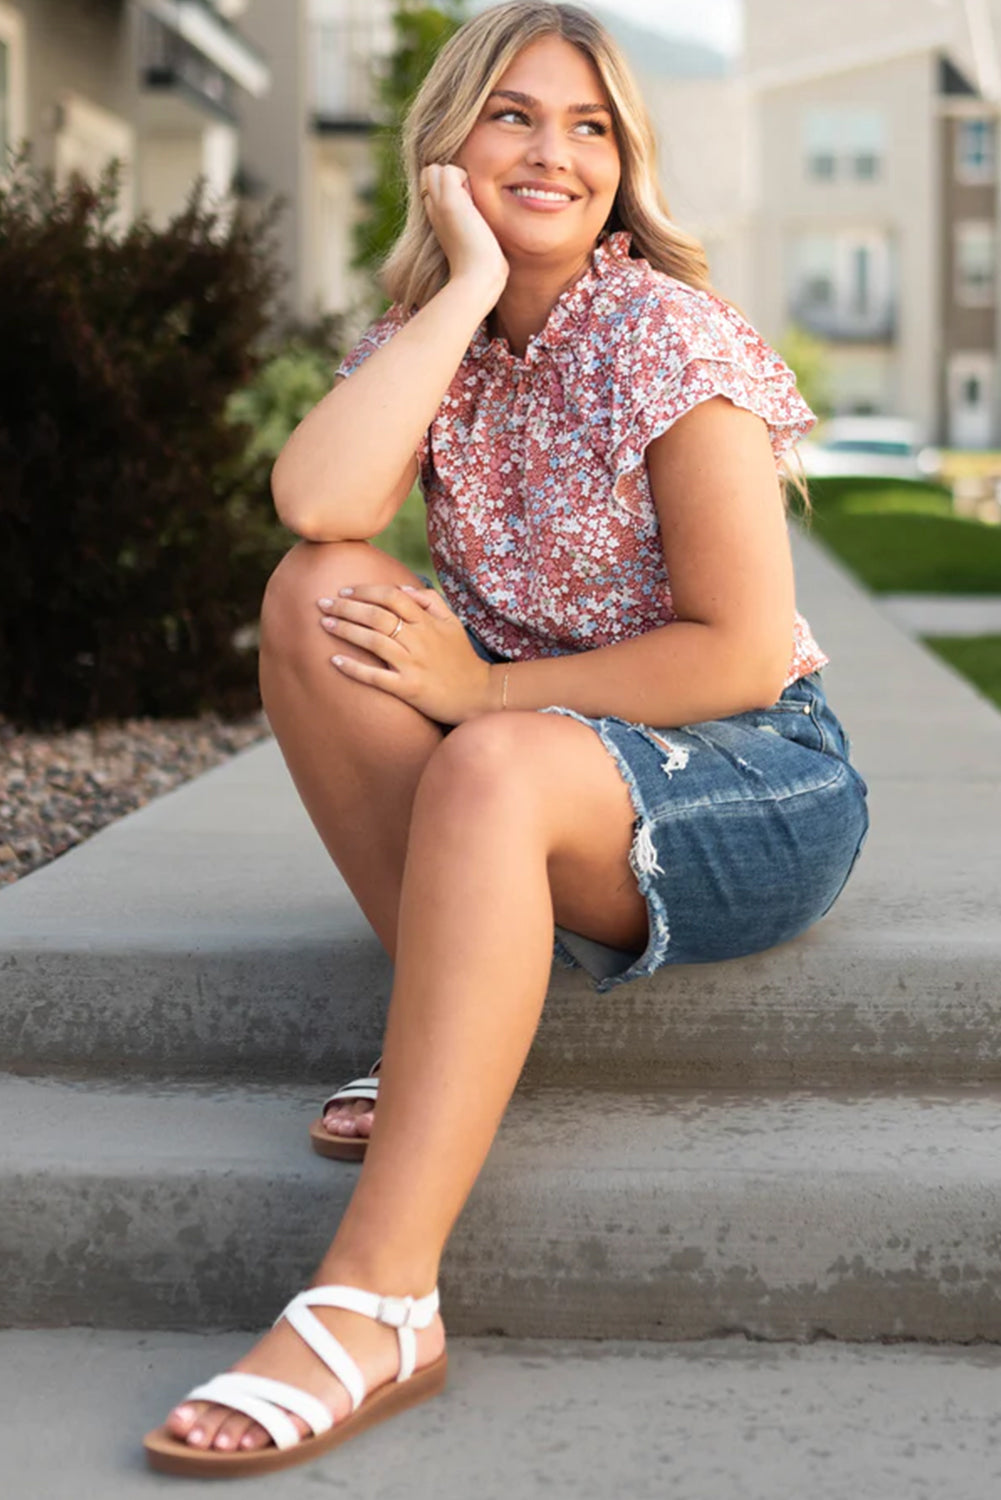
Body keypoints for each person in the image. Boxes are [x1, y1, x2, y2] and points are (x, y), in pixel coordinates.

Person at [143, 0, 869, 1477]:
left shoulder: (663, 332)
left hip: (751, 770)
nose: (555, 152)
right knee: (316, 598)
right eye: (514, 116)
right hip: (539, 765)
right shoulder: (444, 339)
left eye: (590, 124)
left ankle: (377, 1303)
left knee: (482, 750)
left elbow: (736, 650)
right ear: (449, 142)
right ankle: (451, 1018)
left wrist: (480, 696)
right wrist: (467, 281)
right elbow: (319, 509)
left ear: (625, 160)